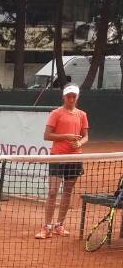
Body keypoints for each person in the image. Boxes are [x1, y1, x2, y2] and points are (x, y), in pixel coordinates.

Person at [35, 83, 89, 239]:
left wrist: (79, 143)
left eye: (74, 96)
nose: (71, 99)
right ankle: (47, 227)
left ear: (77, 97)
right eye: (68, 96)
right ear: (64, 97)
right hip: (58, 157)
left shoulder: (82, 115)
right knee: (52, 192)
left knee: (67, 192)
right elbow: (47, 136)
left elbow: (85, 136)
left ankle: (59, 225)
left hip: (75, 158)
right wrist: (66, 137)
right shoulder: (56, 113)